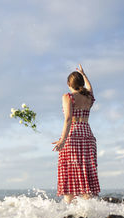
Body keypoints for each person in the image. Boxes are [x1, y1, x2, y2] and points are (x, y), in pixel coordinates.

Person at [52, 64, 100, 203]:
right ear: (81, 83)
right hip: (87, 134)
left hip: (73, 135)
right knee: (86, 170)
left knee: (70, 171)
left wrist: (62, 139)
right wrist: (84, 74)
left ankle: (68, 207)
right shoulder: (89, 97)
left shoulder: (68, 96)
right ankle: (89, 208)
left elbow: (68, 119)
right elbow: (90, 88)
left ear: (69, 84)